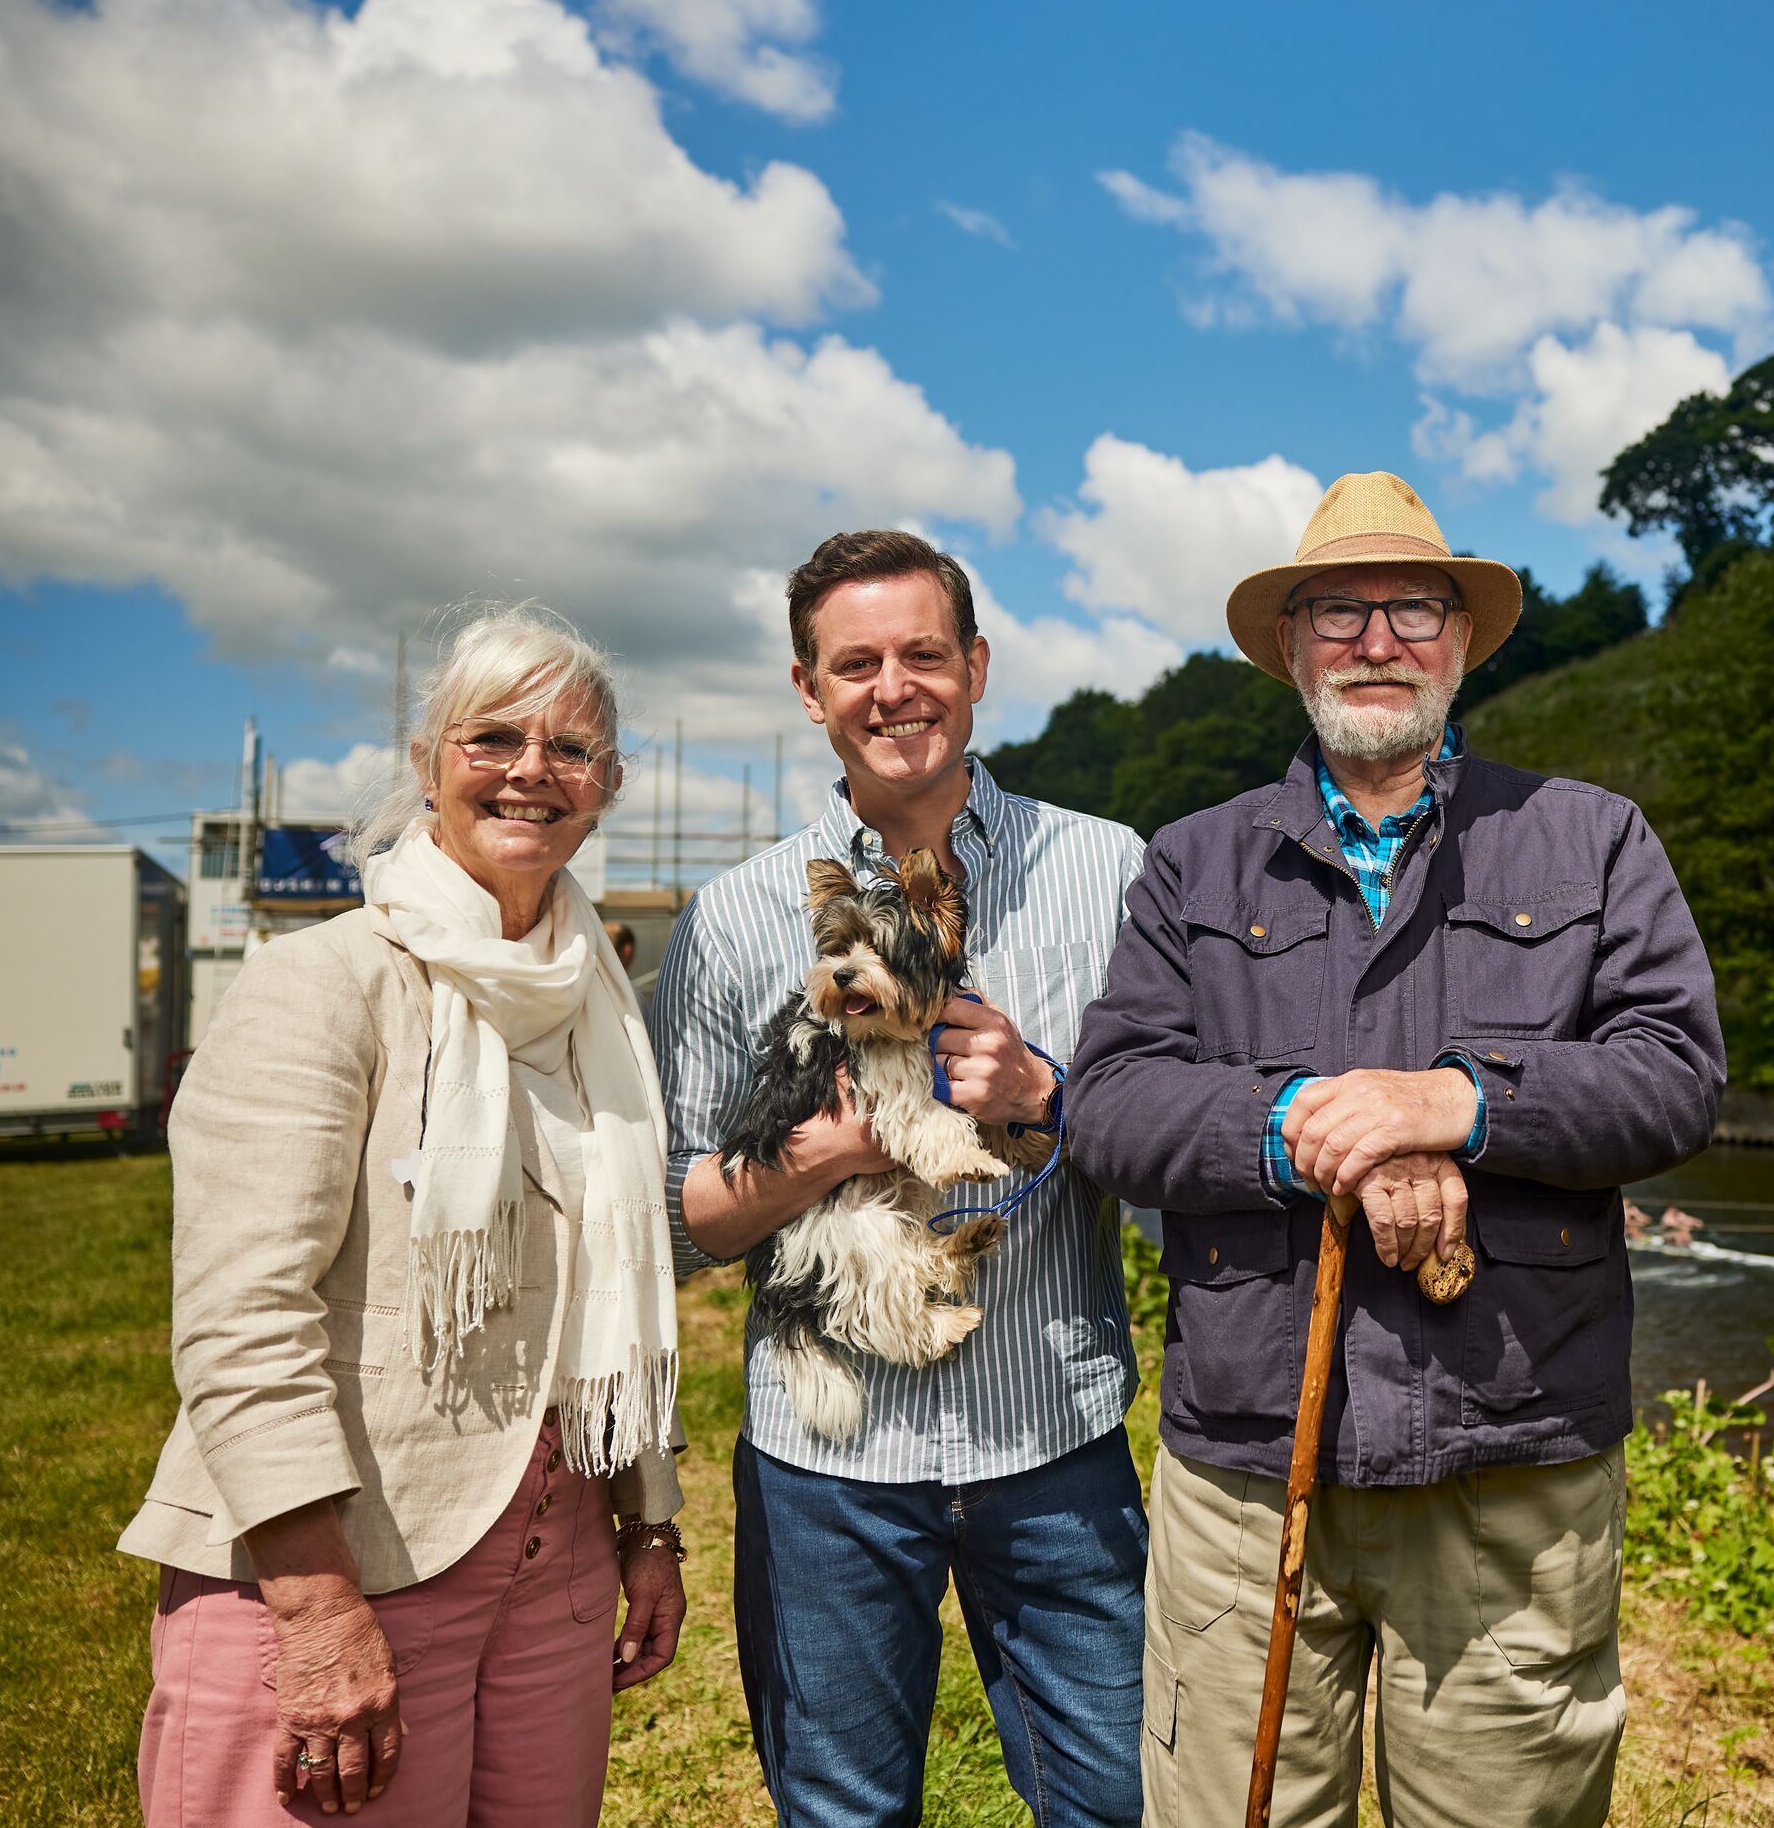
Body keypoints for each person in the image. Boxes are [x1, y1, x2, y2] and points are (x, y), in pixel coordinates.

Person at [1066, 472, 1726, 1828]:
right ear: (1293, 648)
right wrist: (1313, 1123)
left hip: (1512, 1451)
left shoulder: (1589, 838)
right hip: (1249, 1468)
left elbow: (1674, 1079)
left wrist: (1456, 1103)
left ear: (1462, 638)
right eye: (1338, 611)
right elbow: (1110, 1102)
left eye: (1412, 606)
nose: (1378, 639)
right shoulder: (1195, 865)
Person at [124, 606, 688, 1826]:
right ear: (430, 761)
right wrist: (318, 1604)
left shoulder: (606, 1010)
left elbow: (616, 1296)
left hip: (559, 1567)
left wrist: (650, 1529)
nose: (533, 769)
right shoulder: (325, 981)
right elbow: (242, 1317)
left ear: (608, 787)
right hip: (339, 1564)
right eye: (494, 736)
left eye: (571, 748)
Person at [653, 530, 1149, 1828]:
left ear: (976, 666)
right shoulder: (732, 917)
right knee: (841, 1814)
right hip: (822, 1467)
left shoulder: (1111, 874)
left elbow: (1169, 1167)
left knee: (1115, 1802)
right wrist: (840, 1146)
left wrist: (1046, 1098)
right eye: (855, 662)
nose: (894, 687)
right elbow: (673, 1223)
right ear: (809, 692)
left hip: (1055, 1430)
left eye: (923, 653)